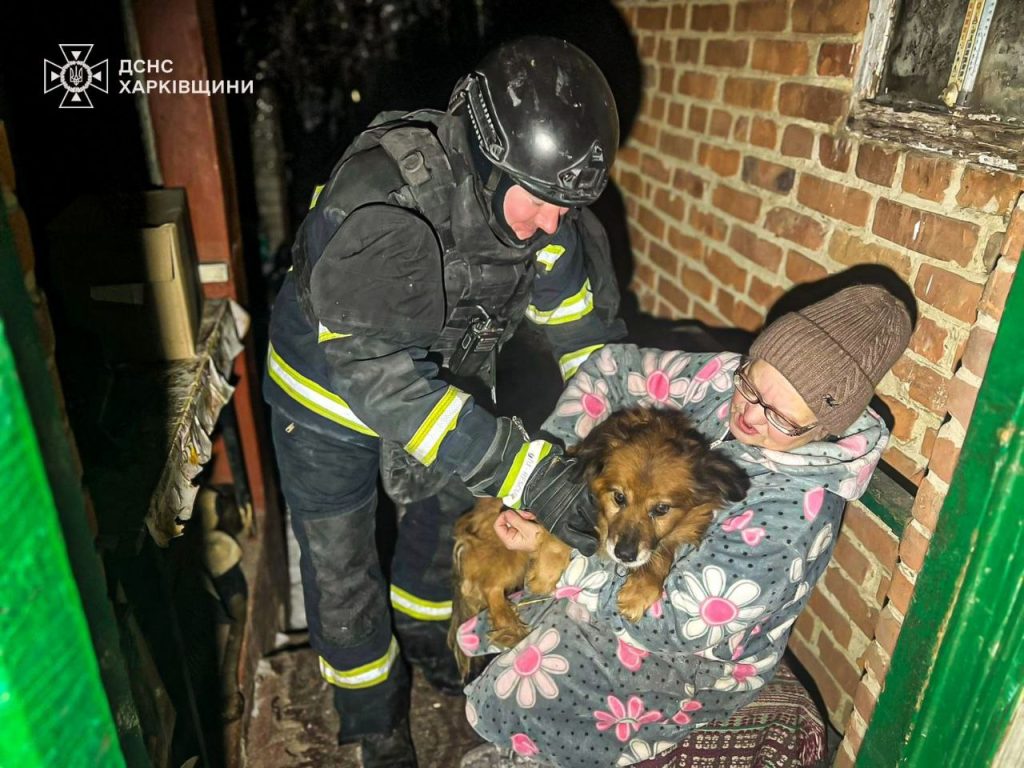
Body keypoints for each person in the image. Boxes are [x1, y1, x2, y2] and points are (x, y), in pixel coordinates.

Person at [263, 36, 627, 767]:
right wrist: (525, 471)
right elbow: (380, 378)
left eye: (566, 207)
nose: (550, 225)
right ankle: (371, 718)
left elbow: (584, 338)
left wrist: (608, 435)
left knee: (437, 525)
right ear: (488, 162)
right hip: (327, 397)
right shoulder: (385, 200)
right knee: (340, 567)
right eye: (541, 203)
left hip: (443, 383)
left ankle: (423, 633)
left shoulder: (543, 205)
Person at [457, 284, 913, 768]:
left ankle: (532, 755)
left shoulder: (797, 515)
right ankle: (520, 736)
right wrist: (561, 472)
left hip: (696, 659)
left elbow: (677, 626)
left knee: (533, 678)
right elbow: (610, 369)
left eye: (781, 418)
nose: (750, 415)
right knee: (518, 618)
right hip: (630, 575)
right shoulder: (724, 382)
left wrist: (571, 569)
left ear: (823, 427)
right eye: (752, 387)